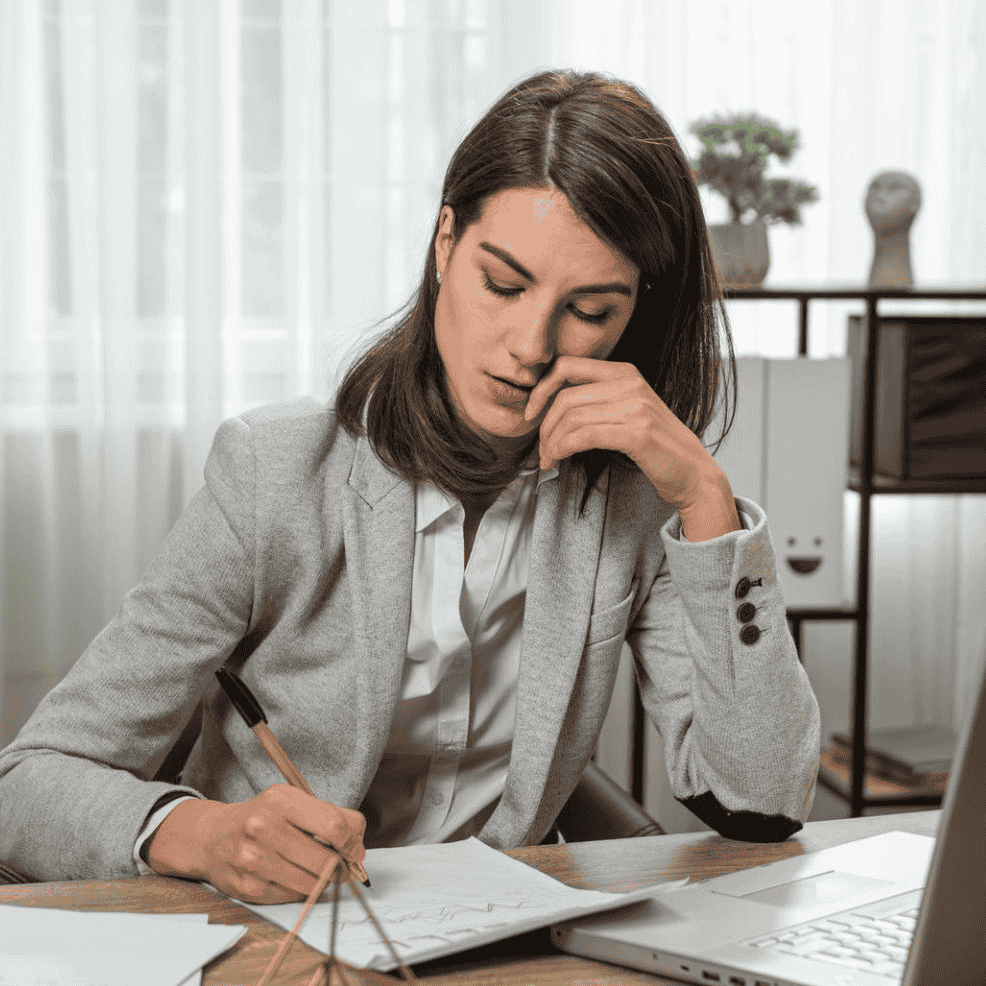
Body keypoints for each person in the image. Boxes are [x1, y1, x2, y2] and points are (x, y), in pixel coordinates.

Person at [0, 70, 819, 903]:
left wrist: (706, 502)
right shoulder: (274, 474)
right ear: (443, 243)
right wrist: (204, 833)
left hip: (499, 947)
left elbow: (767, 799)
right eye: (503, 284)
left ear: (635, 312)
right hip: (273, 939)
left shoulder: (634, 507)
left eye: (591, 311)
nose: (530, 345)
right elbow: (27, 783)